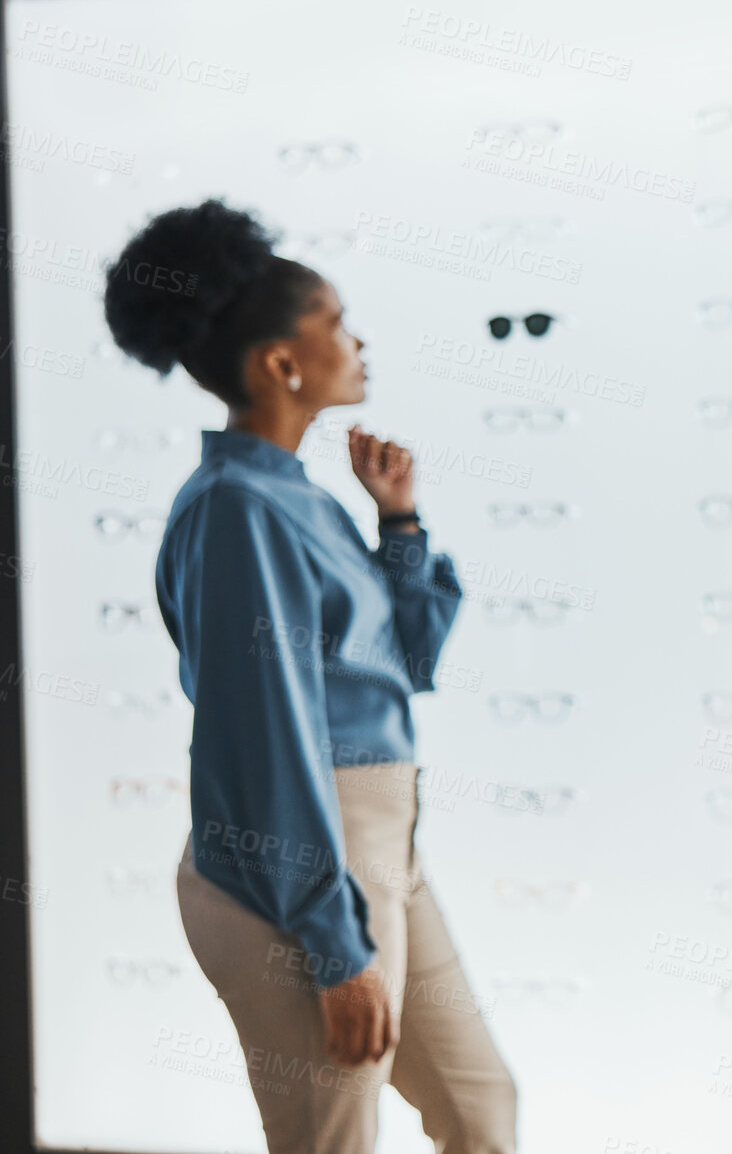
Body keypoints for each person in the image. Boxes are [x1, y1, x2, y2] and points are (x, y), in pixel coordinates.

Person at [103, 199, 516, 1153]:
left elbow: (406, 666)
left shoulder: (298, 498)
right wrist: (337, 950)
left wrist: (399, 525)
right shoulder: (236, 510)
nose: (356, 338)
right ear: (281, 363)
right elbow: (263, 744)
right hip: (296, 867)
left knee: (480, 1106)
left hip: (377, 852)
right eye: (334, 321)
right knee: (331, 1139)